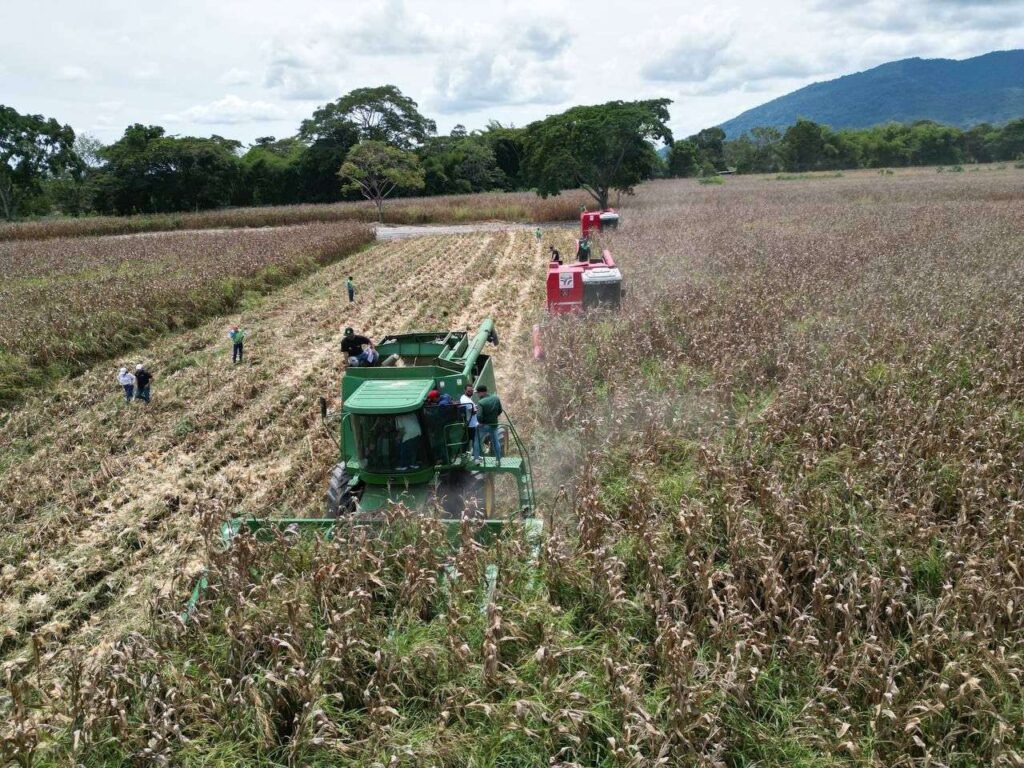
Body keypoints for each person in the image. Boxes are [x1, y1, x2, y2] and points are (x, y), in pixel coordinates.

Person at [475, 385, 503, 462]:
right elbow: (500, 410)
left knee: (477, 440)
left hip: (485, 426)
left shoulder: (481, 402)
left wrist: (481, 422)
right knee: (495, 441)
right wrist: (493, 418)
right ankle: (498, 459)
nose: (477, 395)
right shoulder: (496, 398)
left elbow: (479, 416)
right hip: (494, 425)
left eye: (477, 393)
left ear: (481, 393)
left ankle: (477, 459)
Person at [460, 385, 479, 459]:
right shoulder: (466, 400)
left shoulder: (466, 398)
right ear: (465, 390)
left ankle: (467, 454)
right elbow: (473, 412)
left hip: (471, 423)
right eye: (469, 391)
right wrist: (480, 408)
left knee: (468, 440)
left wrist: (476, 407)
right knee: (475, 440)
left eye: (471, 391)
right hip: (471, 424)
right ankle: (475, 456)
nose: (471, 392)